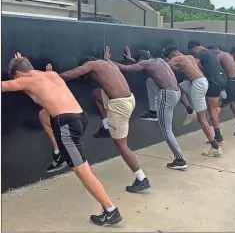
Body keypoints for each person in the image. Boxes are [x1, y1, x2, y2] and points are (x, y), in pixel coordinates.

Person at [2, 52, 122, 226]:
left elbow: (4, 86)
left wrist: (16, 74)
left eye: (15, 76)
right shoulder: (50, 75)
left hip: (66, 125)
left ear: (18, 74)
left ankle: (111, 210)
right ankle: (59, 152)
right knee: (44, 114)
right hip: (80, 117)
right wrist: (19, 62)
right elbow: (33, 78)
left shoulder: (25, 80)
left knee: (84, 173)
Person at [47, 49, 151, 193]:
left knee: (121, 146)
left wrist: (49, 76)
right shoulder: (107, 64)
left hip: (119, 105)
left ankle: (141, 178)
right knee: (96, 93)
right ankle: (106, 125)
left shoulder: (92, 65)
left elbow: (69, 75)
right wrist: (107, 57)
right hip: (128, 98)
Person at [106, 47, 187, 170]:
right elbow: (142, 64)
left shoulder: (146, 63)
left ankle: (179, 159)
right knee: (150, 81)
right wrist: (130, 58)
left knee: (166, 130)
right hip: (176, 93)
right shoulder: (159, 60)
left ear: (142, 59)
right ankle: (154, 112)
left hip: (167, 95)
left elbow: (127, 68)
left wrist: (108, 60)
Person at [162, 44, 223, 157]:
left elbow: (165, 66)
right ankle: (189, 110)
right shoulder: (189, 57)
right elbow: (186, 67)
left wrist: (154, 61)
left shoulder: (177, 58)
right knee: (179, 86)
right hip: (202, 81)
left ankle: (215, 148)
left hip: (197, 84)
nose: (171, 59)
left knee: (201, 118)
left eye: (170, 57)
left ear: (173, 54)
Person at [187, 40, 227, 146]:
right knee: (213, 109)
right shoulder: (211, 52)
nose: (194, 53)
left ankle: (218, 137)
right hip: (221, 79)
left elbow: (192, 65)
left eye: (193, 51)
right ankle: (218, 136)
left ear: (195, 48)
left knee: (210, 110)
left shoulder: (201, 53)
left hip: (212, 81)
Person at [207, 45, 235, 136]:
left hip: (231, 82)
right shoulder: (227, 54)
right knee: (233, 106)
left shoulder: (219, 57)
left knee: (231, 106)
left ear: (213, 51)